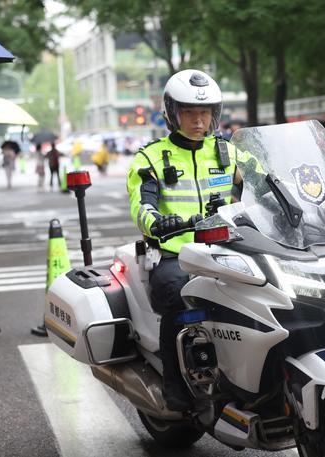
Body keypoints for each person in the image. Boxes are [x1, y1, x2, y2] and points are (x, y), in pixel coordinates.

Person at [127, 69, 241, 411]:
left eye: (204, 112)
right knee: (178, 297)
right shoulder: (150, 158)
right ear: (172, 113)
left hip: (228, 247)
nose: (198, 120)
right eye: (189, 112)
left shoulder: (228, 152)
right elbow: (140, 204)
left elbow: (268, 183)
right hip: (178, 254)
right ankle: (176, 391)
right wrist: (157, 222)